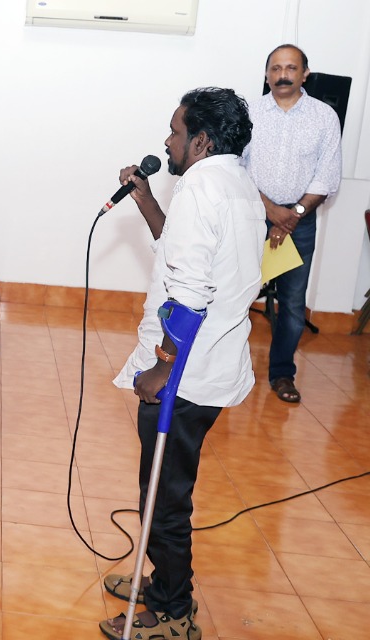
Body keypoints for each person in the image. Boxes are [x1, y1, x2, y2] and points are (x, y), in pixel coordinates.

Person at [99, 88, 264, 640]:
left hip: (187, 376)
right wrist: (145, 199)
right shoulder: (236, 182)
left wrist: (163, 367)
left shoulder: (200, 186)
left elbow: (191, 291)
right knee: (159, 485)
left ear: (201, 141)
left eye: (174, 131)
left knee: (165, 497)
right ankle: (161, 579)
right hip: (213, 366)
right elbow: (182, 251)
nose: (167, 141)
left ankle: (174, 611)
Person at [242, 44, 342, 405]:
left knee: (293, 306)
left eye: (290, 68)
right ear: (267, 74)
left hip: (300, 223)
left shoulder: (324, 117)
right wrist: (270, 210)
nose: (282, 75)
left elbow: (327, 176)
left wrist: (292, 215)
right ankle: (222, 370)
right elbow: (236, 167)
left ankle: (282, 374)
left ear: (305, 74)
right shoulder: (250, 113)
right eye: (275, 68)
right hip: (253, 215)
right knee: (233, 294)